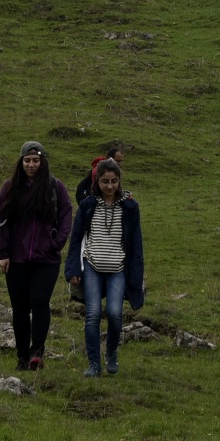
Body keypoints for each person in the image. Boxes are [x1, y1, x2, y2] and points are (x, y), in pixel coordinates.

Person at [0, 142, 73, 372]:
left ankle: (37, 352)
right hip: (15, 259)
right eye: (27, 161)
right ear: (21, 162)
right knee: (19, 308)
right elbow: (1, 221)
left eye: (35, 161)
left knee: (40, 303)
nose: (31, 165)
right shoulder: (10, 188)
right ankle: (21, 357)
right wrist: (3, 253)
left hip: (46, 259)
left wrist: (57, 244)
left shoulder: (55, 187)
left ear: (42, 161)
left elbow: (66, 215)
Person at [66, 157, 144, 378]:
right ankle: (94, 363)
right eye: (105, 181)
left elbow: (136, 244)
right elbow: (76, 238)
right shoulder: (88, 206)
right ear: (97, 181)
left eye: (114, 181)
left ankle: (111, 352)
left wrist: (136, 277)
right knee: (92, 314)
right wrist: (73, 269)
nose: (110, 186)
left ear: (120, 181)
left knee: (114, 313)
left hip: (118, 269)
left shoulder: (130, 208)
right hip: (92, 267)